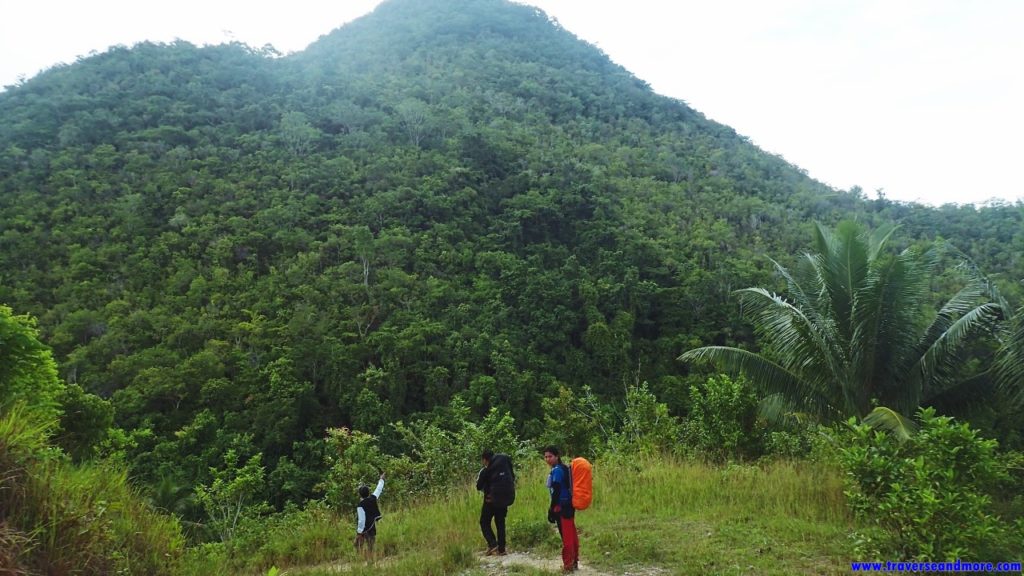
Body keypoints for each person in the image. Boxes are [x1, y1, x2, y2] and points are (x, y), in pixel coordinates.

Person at [544, 446, 579, 573]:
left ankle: (568, 565)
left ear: (557, 456)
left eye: (550, 456)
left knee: (566, 536)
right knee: (571, 533)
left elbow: (557, 490)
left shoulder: (557, 470)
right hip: (568, 505)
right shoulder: (563, 468)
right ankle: (574, 562)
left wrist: (552, 508)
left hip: (562, 506)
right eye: (546, 456)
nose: (548, 459)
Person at [476, 449, 515, 555]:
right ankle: (502, 549)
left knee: (484, 522)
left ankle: (493, 544)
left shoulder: (486, 470)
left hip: (490, 501)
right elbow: (513, 477)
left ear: (484, 459)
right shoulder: (504, 465)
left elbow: (479, 486)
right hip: (504, 499)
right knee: (500, 523)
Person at [355, 472, 385, 558]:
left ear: (360, 494)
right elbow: (378, 489)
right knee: (371, 545)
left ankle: (360, 559)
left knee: (358, 545)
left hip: (364, 529)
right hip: (372, 526)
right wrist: (381, 479)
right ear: (369, 493)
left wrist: (359, 532)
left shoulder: (360, 505)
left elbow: (361, 520)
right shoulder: (372, 499)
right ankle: (370, 560)